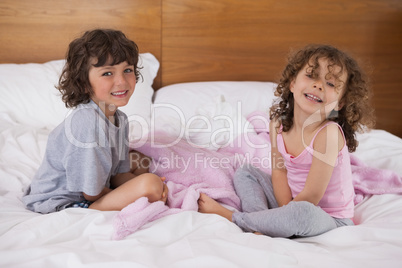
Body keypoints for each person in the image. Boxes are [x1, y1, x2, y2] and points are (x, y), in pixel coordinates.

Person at [198, 44, 375, 238]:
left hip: (326, 217)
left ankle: (236, 218)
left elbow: (312, 196)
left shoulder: (328, 133)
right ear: (292, 84)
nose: (319, 85)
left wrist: (287, 215)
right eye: (311, 76)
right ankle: (261, 224)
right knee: (245, 172)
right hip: (290, 201)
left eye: (331, 84)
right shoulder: (277, 126)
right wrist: (281, 213)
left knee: (301, 213)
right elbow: (279, 171)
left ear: (339, 104)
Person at [23, 29, 168, 213]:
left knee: (143, 162)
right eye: (108, 73)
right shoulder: (87, 123)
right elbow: (91, 193)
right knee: (151, 184)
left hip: (94, 191)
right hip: (63, 202)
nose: (121, 81)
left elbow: (117, 175)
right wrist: (147, 187)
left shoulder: (120, 119)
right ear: (84, 83)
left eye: (127, 70)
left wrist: (138, 184)